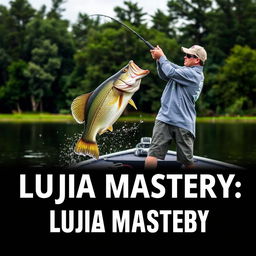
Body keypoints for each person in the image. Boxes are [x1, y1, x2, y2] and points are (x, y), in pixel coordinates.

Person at [145, 45, 207, 169]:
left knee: (187, 162)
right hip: (164, 118)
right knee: (152, 155)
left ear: (197, 60)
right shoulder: (183, 70)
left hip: (183, 123)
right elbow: (165, 74)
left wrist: (162, 57)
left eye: (189, 55)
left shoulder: (195, 75)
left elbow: (170, 71)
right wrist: (159, 60)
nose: (185, 57)